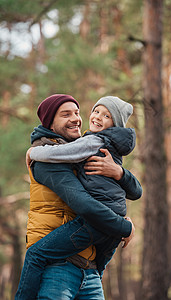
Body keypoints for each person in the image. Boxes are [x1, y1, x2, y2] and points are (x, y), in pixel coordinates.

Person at [15, 94, 142, 300]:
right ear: (50, 123)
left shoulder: (85, 153)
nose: (75, 118)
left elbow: (136, 191)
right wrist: (124, 227)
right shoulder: (49, 159)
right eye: (66, 114)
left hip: (88, 269)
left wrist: (118, 172)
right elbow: (83, 203)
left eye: (76, 112)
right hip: (60, 266)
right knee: (35, 255)